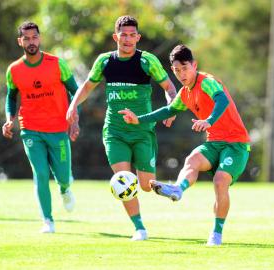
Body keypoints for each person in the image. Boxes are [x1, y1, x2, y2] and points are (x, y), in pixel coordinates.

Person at [119, 44, 251, 246]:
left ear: (194, 65)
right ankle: (178, 190)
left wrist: (209, 120)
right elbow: (168, 110)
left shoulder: (207, 82)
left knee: (219, 181)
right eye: (177, 70)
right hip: (214, 142)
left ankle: (216, 233)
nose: (182, 74)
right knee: (192, 161)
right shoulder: (184, 93)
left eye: (185, 68)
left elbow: (222, 100)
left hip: (236, 144)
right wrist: (138, 119)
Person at [66, 15, 177, 241]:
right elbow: (87, 86)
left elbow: (169, 87)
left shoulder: (148, 61)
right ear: (116, 37)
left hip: (143, 132)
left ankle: (164, 188)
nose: (127, 39)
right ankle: (139, 228)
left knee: (145, 185)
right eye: (123, 35)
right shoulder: (105, 61)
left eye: (131, 35)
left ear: (138, 37)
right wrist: (73, 106)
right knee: (123, 180)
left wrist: (171, 105)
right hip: (115, 133)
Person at [2, 21, 79, 233]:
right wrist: (10, 119)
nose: (31, 42)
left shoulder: (57, 63)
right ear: (20, 41)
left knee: (63, 176)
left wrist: (75, 120)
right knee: (41, 173)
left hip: (57, 128)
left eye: (34, 37)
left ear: (40, 38)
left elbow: (76, 92)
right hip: (30, 128)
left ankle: (64, 187)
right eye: (26, 38)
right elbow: (11, 97)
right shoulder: (14, 70)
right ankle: (48, 220)